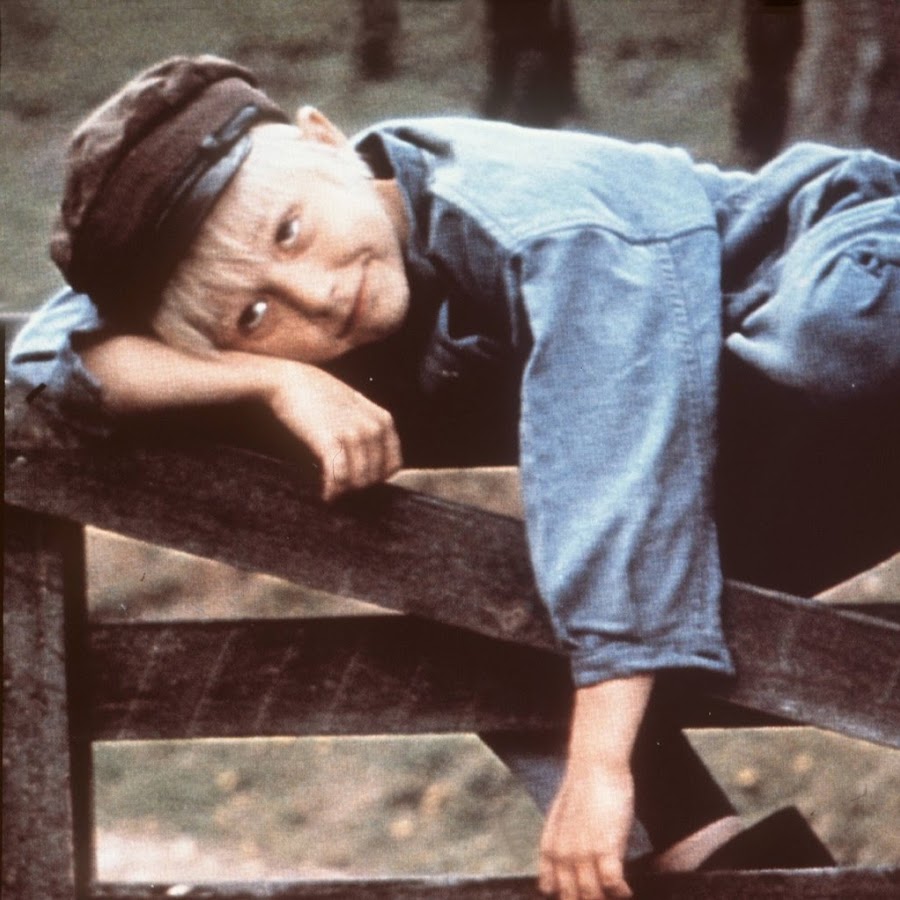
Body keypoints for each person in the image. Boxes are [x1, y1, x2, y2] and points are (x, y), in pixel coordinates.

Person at [8, 56, 899, 899]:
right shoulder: (309, 285)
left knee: (821, 346)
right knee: (505, 624)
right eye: (253, 314)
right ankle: (713, 862)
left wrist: (600, 767)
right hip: (751, 426)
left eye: (290, 231)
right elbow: (42, 366)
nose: (316, 296)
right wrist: (268, 379)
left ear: (326, 139)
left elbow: (617, 461)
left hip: (854, 285)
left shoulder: (533, 216)